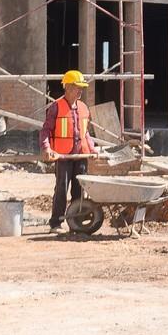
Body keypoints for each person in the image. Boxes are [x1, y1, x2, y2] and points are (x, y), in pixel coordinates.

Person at [40, 70, 98, 233]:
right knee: (61, 188)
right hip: (63, 156)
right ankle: (56, 223)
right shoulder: (56, 107)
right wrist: (46, 148)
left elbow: (85, 132)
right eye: (77, 87)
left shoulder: (83, 108)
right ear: (68, 87)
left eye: (81, 87)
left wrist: (92, 149)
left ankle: (76, 222)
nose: (80, 91)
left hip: (80, 155)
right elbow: (45, 130)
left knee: (79, 189)